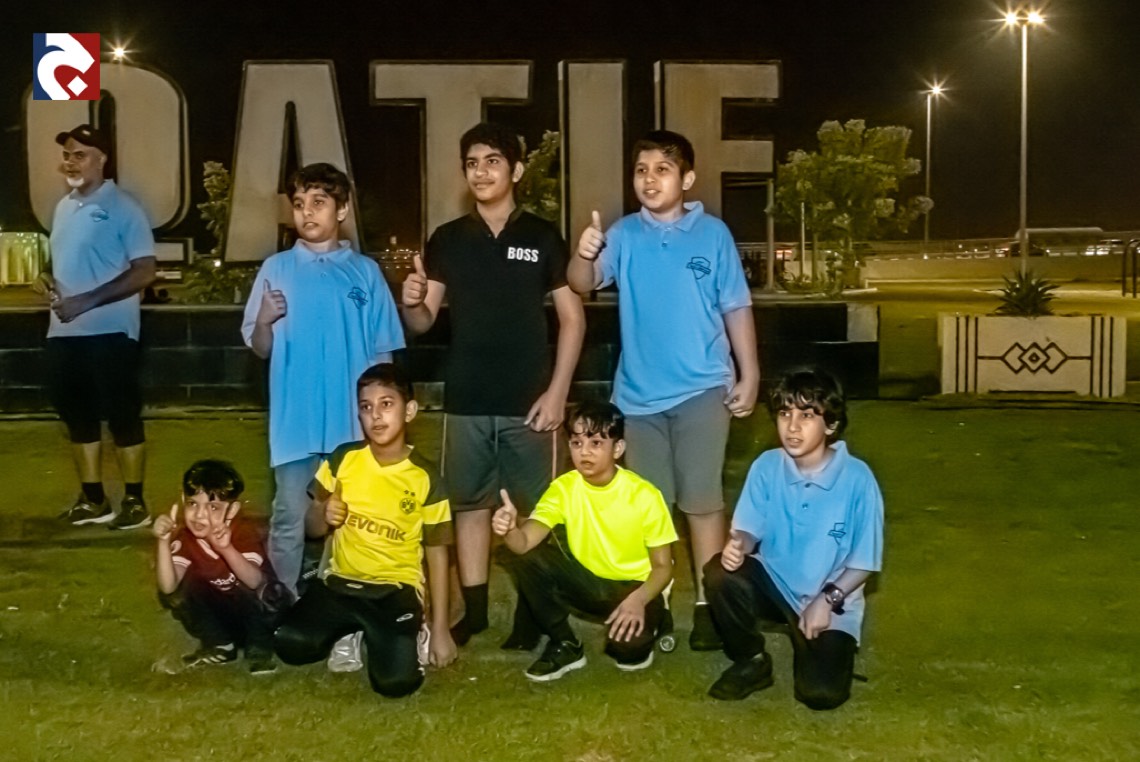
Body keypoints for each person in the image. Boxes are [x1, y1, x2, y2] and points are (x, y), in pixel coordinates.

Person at [567, 129, 759, 650]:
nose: (650, 180)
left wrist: (750, 374)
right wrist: (584, 253)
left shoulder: (713, 234)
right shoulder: (624, 234)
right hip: (637, 399)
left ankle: (710, 606)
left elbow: (736, 307)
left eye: (663, 169)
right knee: (651, 509)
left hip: (703, 388)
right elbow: (582, 283)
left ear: (687, 178)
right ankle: (658, 602)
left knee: (701, 502)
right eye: (641, 170)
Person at [402, 122, 586, 649]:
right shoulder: (448, 239)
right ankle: (476, 611)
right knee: (469, 506)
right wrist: (412, 300)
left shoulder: (542, 236)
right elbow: (422, 321)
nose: (480, 172)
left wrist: (557, 393)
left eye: (492, 161)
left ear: (516, 170)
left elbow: (573, 319)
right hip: (466, 399)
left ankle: (534, 615)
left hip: (532, 402)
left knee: (537, 509)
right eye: (471, 163)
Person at [241, 162, 404, 598]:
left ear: (342, 209)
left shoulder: (365, 272)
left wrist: (383, 421)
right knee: (288, 517)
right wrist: (264, 320)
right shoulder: (276, 269)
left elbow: (383, 356)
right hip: (295, 426)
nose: (307, 212)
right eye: (299, 204)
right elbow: (260, 347)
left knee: (345, 517)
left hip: (350, 428)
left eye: (319, 202)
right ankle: (280, 602)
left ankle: (338, 602)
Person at [703, 368, 883, 710]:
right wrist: (739, 544)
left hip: (832, 597)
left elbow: (865, 563)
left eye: (807, 415)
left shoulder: (858, 479)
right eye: (785, 414)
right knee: (720, 572)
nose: (793, 426)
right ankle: (751, 660)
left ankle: (820, 646)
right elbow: (749, 529)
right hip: (776, 583)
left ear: (830, 425)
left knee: (821, 694)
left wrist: (825, 601)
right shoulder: (767, 466)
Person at [274, 363, 458, 698]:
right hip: (341, 583)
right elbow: (312, 530)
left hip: (394, 589)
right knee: (290, 643)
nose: (376, 415)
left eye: (387, 404)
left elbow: (437, 553)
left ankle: (412, 630)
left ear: (409, 410)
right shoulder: (343, 459)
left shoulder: (426, 477)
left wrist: (441, 627)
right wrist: (323, 512)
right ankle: (352, 630)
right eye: (366, 406)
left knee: (395, 683)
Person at [492, 401, 676, 681]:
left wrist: (638, 599)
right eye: (577, 443)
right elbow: (524, 543)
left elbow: (663, 567)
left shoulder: (645, 496)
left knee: (628, 653)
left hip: (635, 587)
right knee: (527, 558)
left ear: (618, 449)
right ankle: (565, 643)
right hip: (588, 582)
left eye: (596, 443)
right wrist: (509, 529)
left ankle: (657, 617)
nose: (585, 452)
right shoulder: (564, 488)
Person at [38, 124, 157, 530]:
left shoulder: (124, 206)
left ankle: (135, 502)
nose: (71, 162)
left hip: (111, 333)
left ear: (101, 159)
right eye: (67, 155)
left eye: (80, 154)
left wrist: (87, 301)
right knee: (78, 417)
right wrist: (47, 278)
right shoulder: (63, 207)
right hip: (63, 333)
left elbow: (144, 271)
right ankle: (93, 500)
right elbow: (65, 263)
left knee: (122, 417)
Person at [153, 459, 287, 675]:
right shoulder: (186, 538)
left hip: (258, 617)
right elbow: (168, 587)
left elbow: (255, 582)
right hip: (223, 615)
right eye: (192, 504)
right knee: (178, 592)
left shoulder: (242, 532)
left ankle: (259, 647)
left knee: (262, 590)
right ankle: (220, 644)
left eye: (213, 507)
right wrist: (163, 542)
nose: (199, 515)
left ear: (232, 510)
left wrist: (226, 549)